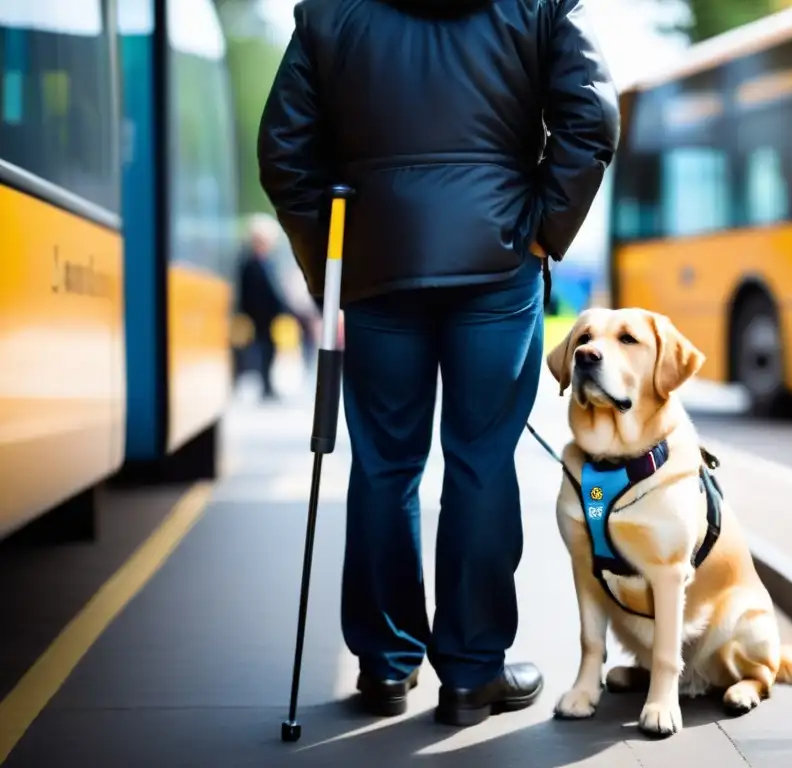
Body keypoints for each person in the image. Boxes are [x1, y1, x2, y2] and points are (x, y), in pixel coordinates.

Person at [257, 0, 618, 726]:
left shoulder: (333, 12)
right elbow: (591, 115)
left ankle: (386, 665)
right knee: (483, 461)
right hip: (499, 259)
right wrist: (544, 229)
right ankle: (471, 673)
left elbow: (284, 151)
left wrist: (327, 258)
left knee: (385, 464)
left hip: (379, 267)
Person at [236, 214, 293, 401]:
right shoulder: (251, 264)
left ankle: (267, 386)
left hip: (267, 317)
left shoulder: (264, 263)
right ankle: (265, 386)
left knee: (269, 351)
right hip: (259, 317)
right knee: (263, 351)